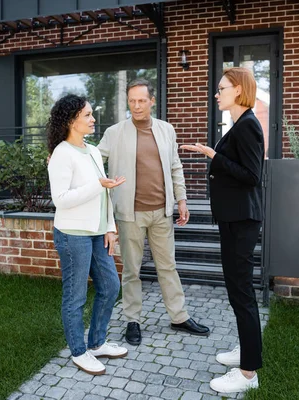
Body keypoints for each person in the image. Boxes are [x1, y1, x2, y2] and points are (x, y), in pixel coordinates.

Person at [97, 79, 210, 346]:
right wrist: (64, 155)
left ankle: (179, 316)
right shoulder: (115, 133)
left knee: (167, 266)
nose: (136, 106)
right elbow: (93, 159)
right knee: (132, 270)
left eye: (141, 100)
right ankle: (132, 320)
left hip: (162, 212)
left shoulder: (165, 130)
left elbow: (175, 167)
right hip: (129, 213)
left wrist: (181, 200)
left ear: (151, 101)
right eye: (132, 101)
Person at [181, 67, 265, 393]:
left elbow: (252, 175)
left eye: (221, 88)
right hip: (234, 219)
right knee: (236, 291)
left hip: (242, 220)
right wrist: (212, 154)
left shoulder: (247, 127)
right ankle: (247, 351)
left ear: (238, 90)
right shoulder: (238, 125)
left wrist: (213, 155)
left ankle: (247, 374)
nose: (216, 94)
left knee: (242, 293)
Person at [47, 94, 128, 375]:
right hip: (72, 235)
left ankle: (96, 343)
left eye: (92, 114)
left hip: (96, 233)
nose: (93, 119)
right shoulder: (61, 154)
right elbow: (62, 199)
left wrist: (109, 227)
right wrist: (98, 184)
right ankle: (79, 352)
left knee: (110, 287)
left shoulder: (92, 151)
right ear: (71, 121)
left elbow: (103, 194)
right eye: (87, 115)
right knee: (75, 296)